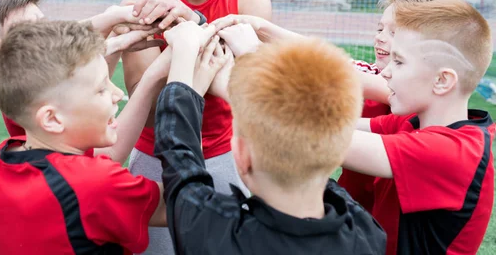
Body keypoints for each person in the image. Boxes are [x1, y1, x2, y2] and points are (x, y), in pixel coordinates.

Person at [120, 0, 272, 254]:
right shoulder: (141, 4)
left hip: (224, 155)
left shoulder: (250, 2)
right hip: (155, 157)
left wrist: (190, 26)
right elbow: (147, 104)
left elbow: (260, 95)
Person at [154, 20, 387, 254]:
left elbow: (179, 158)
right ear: (336, 154)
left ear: (242, 155)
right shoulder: (367, 233)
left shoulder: (213, 230)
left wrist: (184, 52)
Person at [0, 20, 169, 255]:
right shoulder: (94, 183)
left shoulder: (6, 155)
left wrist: (152, 77)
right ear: (51, 119)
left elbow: (110, 155)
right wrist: (184, 78)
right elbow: (181, 203)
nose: (117, 93)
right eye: (101, 89)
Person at [343, 0, 494, 255]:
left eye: (399, 62)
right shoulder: (415, 122)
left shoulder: (455, 151)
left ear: (442, 81)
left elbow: (322, 140)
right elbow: (345, 127)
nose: (386, 72)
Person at [0, 0, 158, 139]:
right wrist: (116, 38)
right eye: (25, 32)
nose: (41, 35)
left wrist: (114, 23)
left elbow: (91, 72)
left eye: (43, 25)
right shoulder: (25, 84)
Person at [339, 0, 445, 212]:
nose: (379, 37)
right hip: (358, 220)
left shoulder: (427, 124)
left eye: (394, 33)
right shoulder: (384, 83)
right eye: (380, 28)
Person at [0, 0, 45, 137]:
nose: (43, 33)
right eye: (25, 30)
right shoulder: (22, 91)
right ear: (0, 47)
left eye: (43, 23)